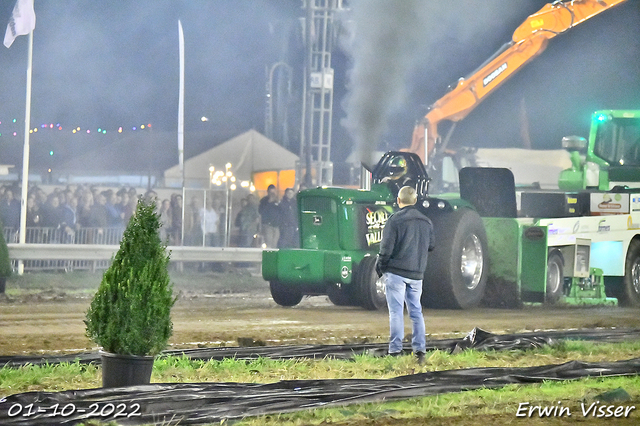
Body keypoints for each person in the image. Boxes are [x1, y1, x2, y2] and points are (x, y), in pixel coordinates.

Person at [375, 186, 435, 364]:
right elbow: (431, 246)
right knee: (416, 312)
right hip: (417, 274)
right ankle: (420, 352)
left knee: (396, 312)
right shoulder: (426, 221)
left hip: (396, 273)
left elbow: (386, 248)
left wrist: (380, 266)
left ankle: (395, 351)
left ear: (398, 201)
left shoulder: (395, 220)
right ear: (415, 201)